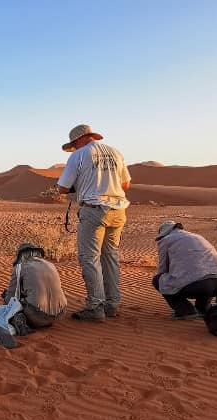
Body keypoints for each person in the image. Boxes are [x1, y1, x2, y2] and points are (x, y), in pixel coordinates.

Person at [57, 124, 131, 322]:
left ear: (79, 139)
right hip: (118, 210)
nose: (73, 148)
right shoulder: (116, 152)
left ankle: (95, 306)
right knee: (111, 256)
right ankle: (112, 304)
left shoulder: (79, 155)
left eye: (73, 144)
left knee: (89, 257)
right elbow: (126, 184)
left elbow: (62, 188)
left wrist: (81, 184)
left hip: (94, 210)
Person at [153, 221, 217, 320]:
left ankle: (186, 311)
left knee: (158, 280)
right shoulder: (198, 236)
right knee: (203, 275)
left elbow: (163, 268)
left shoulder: (166, 240)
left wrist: (167, 285)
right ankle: (203, 309)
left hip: (200, 285)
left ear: (164, 233)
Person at [2, 243, 68, 335]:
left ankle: (18, 320)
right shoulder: (51, 265)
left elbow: (11, 297)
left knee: (9, 303)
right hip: (61, 314)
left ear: (21, 255)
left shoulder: (20, 267)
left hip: (37, 316)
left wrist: (5, 298)